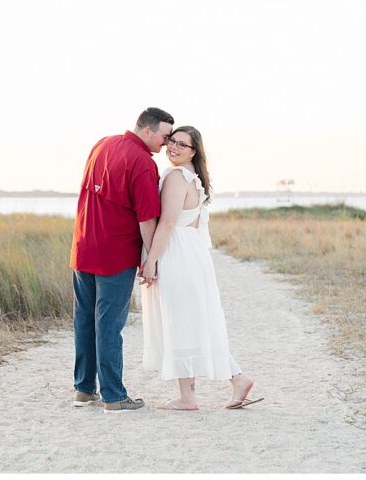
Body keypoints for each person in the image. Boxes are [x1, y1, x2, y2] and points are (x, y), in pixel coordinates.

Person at [139, 125, 262, 411]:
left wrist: (151, 260)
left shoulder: (176, 176)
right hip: (191, 253)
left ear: (194, 151)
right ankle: (236, 378)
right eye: (171, 141)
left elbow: (168, 223)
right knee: (195, 321)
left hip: (177, 253)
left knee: (180, 320)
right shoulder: (194, 178)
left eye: (182, 145)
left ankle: (188, 397)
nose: (173, 148)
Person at [69, 107, 175, 413]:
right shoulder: (143, 163)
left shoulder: (102, 144)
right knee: (108, 325)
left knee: (85, 320)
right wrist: (150, 260)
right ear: (147, 130)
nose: (167, 143)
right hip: (114, 255)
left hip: (83, 246)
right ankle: (113, 396)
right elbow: (147, 219)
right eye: (165, 135)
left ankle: (84, 389)